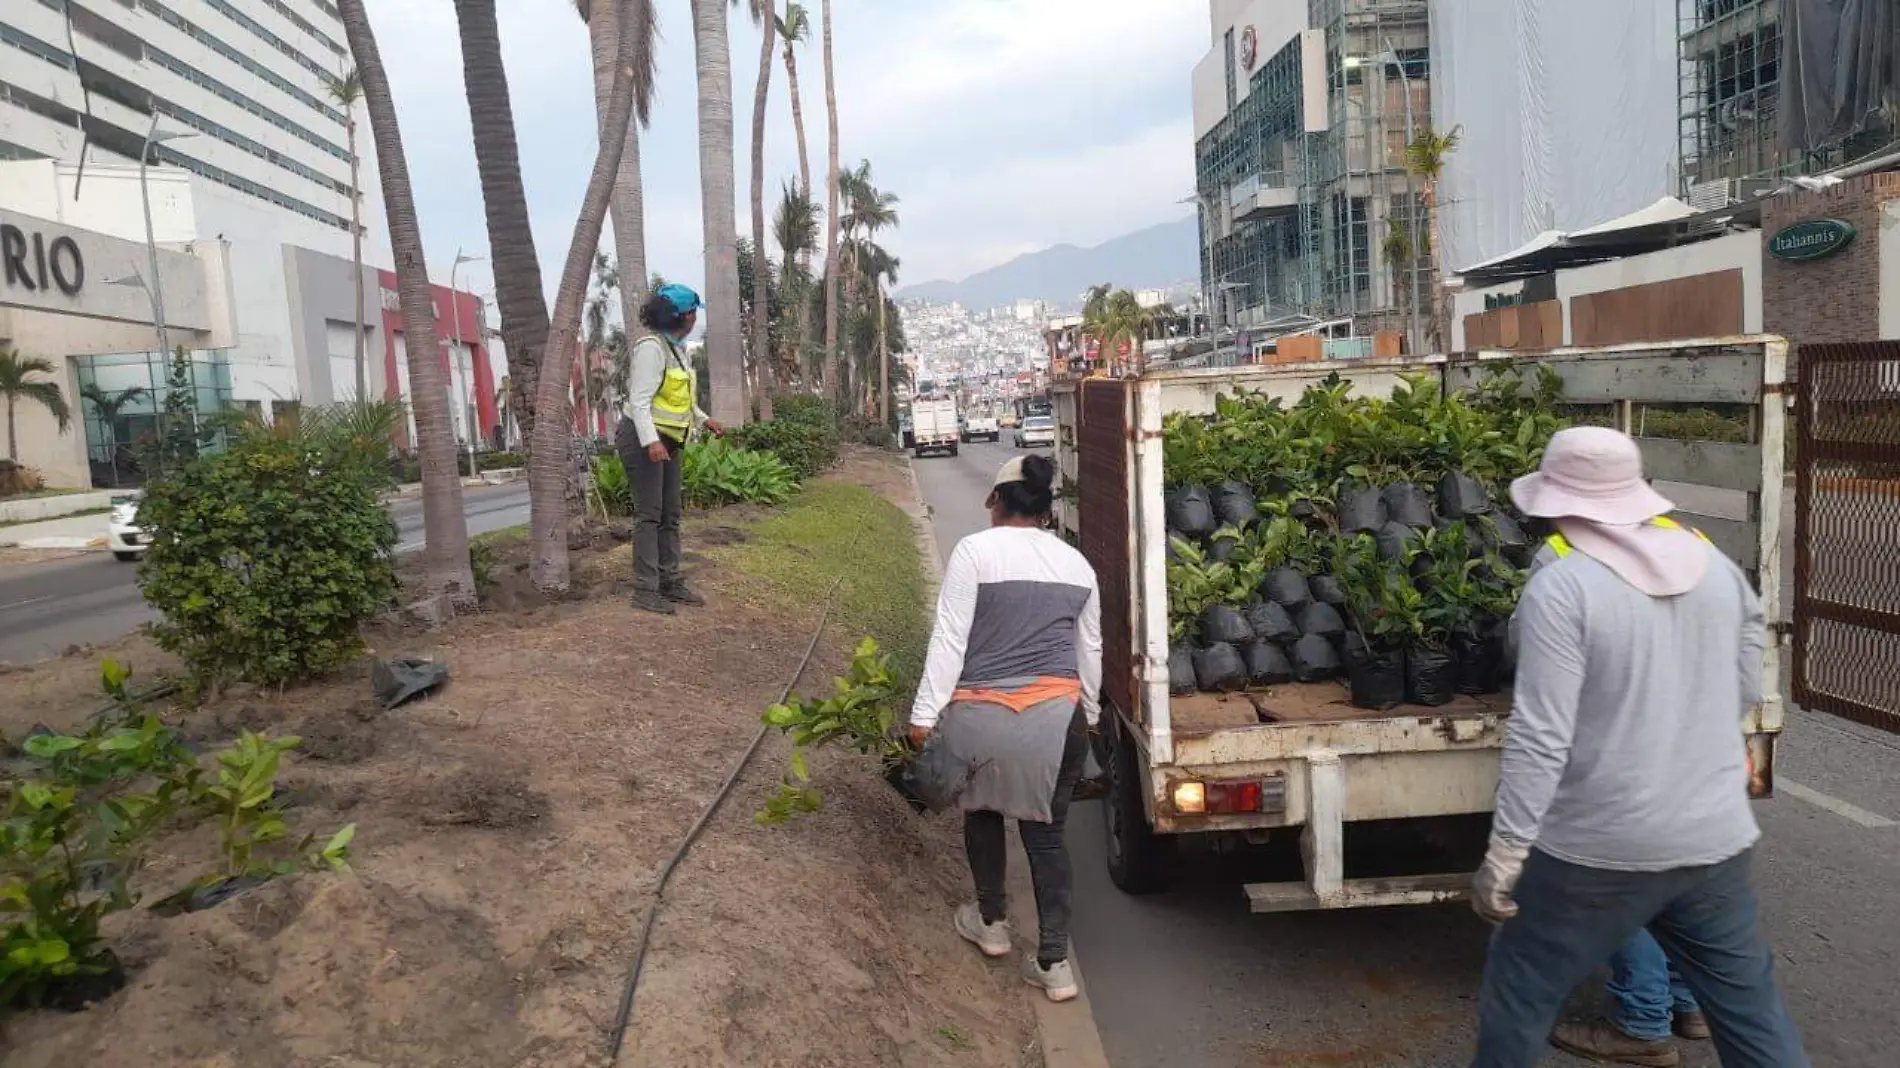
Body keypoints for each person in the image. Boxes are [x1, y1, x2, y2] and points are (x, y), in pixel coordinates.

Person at [1469, 426, 1808, 1068]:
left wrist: (1506, 853)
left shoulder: (1562, 585)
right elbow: (1743, 675)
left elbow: (1543, 737)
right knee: (1752, 1018)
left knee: (1517, 998)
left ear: (1558, 503)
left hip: (1598, 850)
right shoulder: (1713, 566)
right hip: (1712, 839)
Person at [908, 454, 1101, 1003]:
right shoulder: (1075, 565)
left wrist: (924, 716)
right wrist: (1086, 715)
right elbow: (1089, 649)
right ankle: (1055, 963)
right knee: (1046, 835)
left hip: (982, 717)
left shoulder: (974, 552)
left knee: (984, 813)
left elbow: (949, 638)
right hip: (1056, 719)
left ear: (997, 501)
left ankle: (991, 924)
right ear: (1043, 508)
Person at [616, 284, 723, 615]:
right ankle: (646, 589)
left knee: (670, 513)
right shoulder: (651, 349)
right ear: (685, 316)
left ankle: (670, 579)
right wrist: (650, 442)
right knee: (649, 515)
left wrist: (704, 420)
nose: (695, 319)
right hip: (644, 440)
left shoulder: (676, 349)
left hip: (667, 442)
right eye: (694, 313)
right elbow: (641, 400)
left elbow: (680, 399)